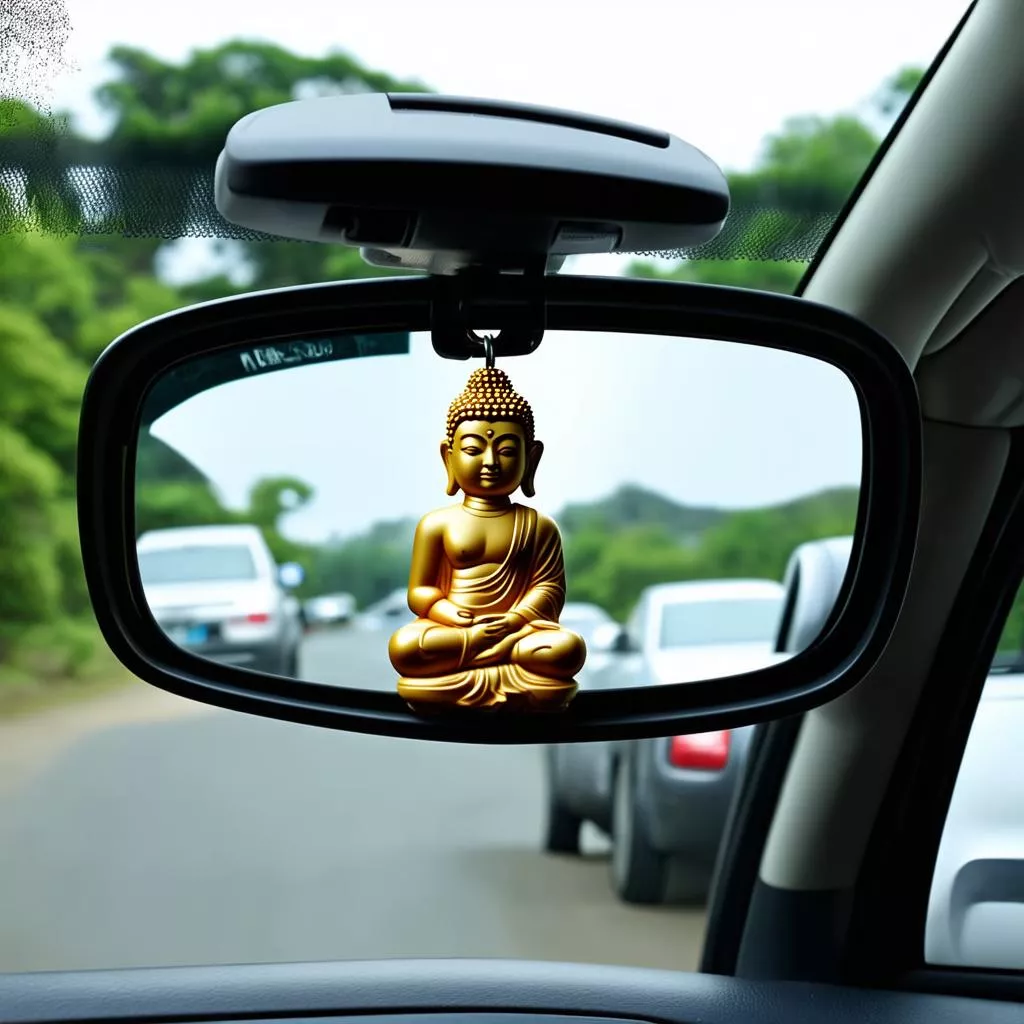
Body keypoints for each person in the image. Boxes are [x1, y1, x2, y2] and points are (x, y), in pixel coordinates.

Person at [389, 366, 585, 710]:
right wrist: (452, 616)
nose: (491, 462)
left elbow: (549, 589)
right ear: (449, 457)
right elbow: (420, 591)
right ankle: (497, 661)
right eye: (473, 449)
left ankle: (486, 659)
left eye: (507, 451)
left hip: (517, 634)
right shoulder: (437, 524)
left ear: (531, 459)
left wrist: (514, 621)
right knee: (406, 645)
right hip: (458, 630)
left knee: (567, 648)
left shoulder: (539, 526)